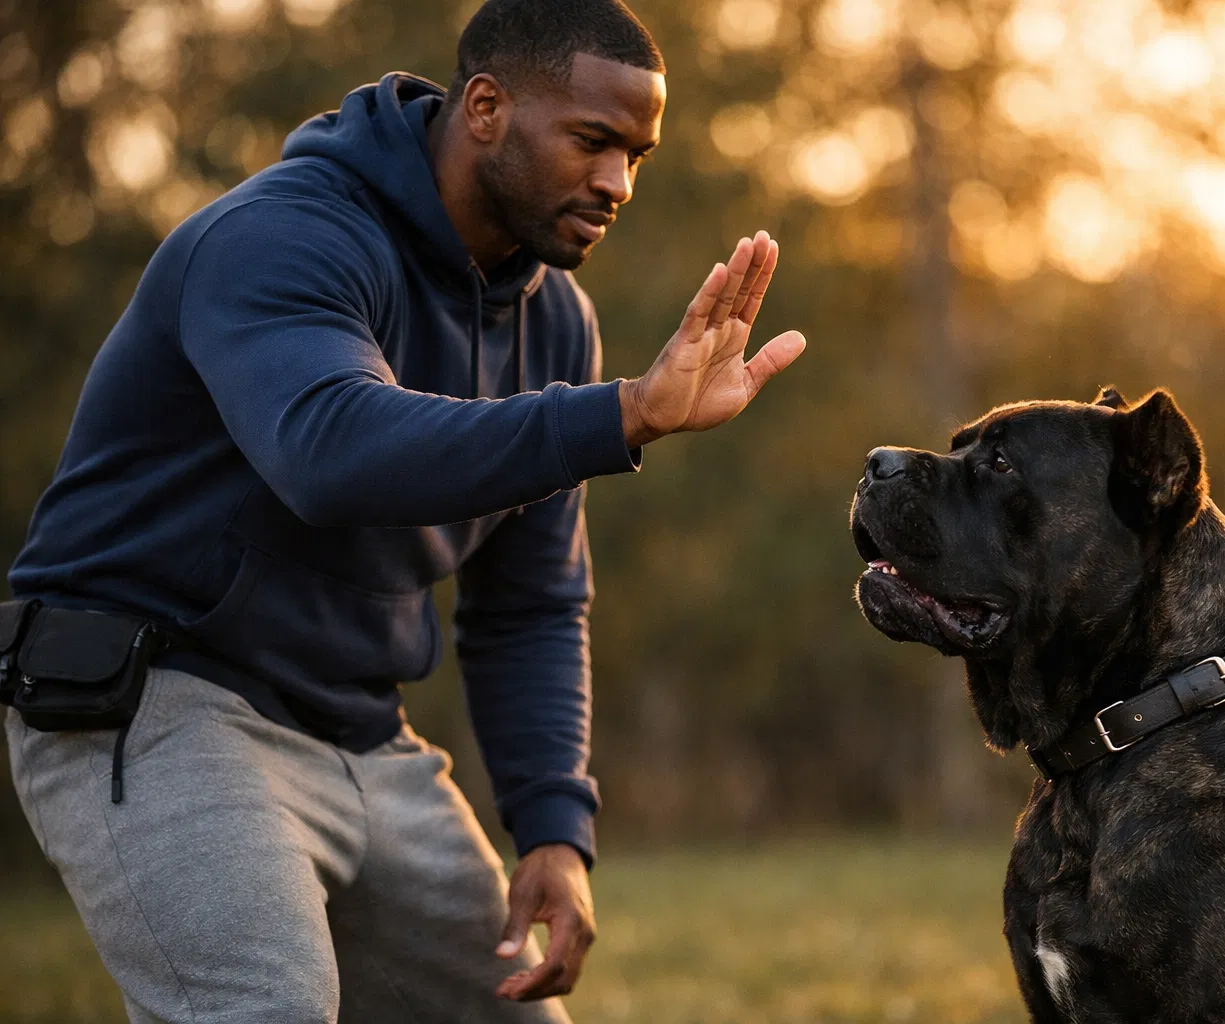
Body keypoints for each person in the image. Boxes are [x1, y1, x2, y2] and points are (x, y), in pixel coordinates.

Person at [2, 0, 804, 1020]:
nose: (618, 183)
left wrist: (552, 826)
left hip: (363, 733)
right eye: (593, 141)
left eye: (636, 155)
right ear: (485, 108)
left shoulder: (556, 323)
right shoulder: (281, 235)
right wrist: (624, 415)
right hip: (161, 698)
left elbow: (529, 601)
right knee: (266, 1005)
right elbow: (329, 450)